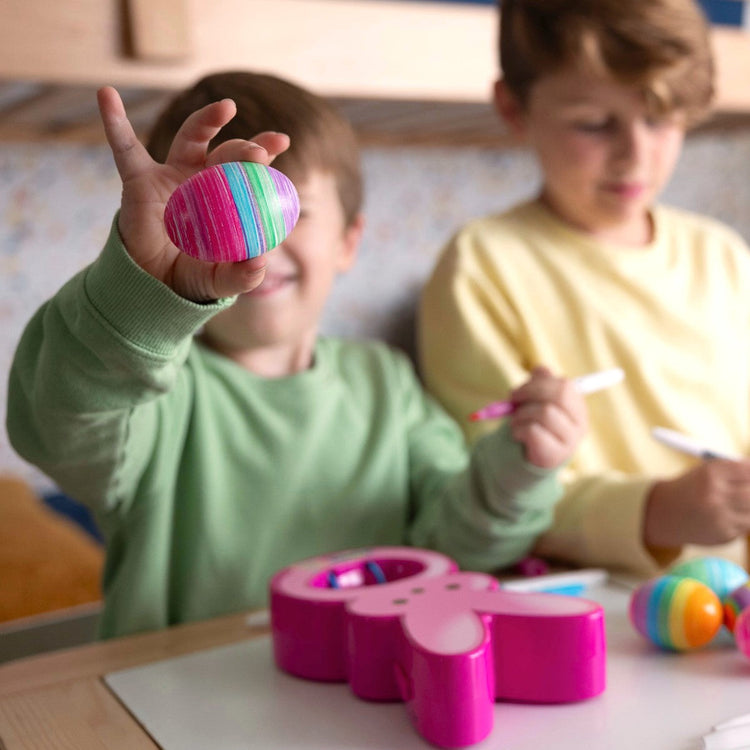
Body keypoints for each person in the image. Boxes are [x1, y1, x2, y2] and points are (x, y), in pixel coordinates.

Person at [6, 71, 587, 639]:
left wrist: (519, 470)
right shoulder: (150, 390)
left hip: (361, 692)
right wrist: (144, 292)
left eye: (292, 211)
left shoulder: (385, 383)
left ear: (348, 242)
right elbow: (60, 423)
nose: (259, 239)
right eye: (227, 210)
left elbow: (456, 551)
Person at [418, 0, 750, 577]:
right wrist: (657, 512)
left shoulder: (721, 256)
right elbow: (489, 500)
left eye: (661, 117)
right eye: (594, 123)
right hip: (605, 621)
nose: (636, 156)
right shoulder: (485, 266)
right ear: (513, 107)